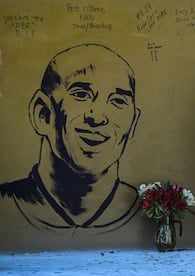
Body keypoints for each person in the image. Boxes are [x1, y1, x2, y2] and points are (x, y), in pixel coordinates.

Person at [0, 43, 141, 239]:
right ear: (42, 114)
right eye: (81, 95)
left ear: (132, 123)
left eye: (117, 100)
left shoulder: (150, 210)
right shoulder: (7, 202)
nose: (98, 117)